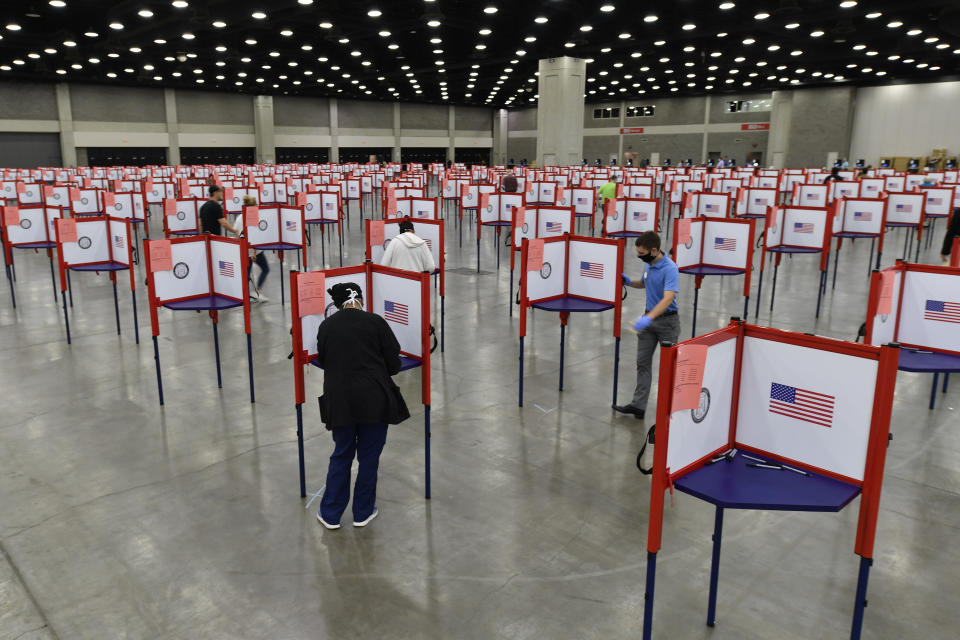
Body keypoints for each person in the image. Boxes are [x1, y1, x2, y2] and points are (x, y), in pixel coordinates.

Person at [315, 282, 407, 529]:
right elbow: (393, 363)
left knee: (341, 454)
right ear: (361, 300)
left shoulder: (326, 326)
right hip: (375, 401)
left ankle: (331, 514)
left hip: (340, 401)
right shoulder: (376, 322)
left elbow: (323, 359)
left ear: (336, 304)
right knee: (369, 458)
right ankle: (362, 512)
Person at [614, 232, 681, 420]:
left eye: (642, 253)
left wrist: (649, 317)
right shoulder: (648, 264)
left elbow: (668, 298)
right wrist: (629, 282)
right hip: (648, 320)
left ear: (654, 250)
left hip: (668, 322)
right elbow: (643, 283)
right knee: (642, 363)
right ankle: (638, 406)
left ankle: (669, 411)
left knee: (668, 368)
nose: (639, 256)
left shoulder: (670, 269)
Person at [241, 195, 270, 303]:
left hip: (244, 252)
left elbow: (238, 233)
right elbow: (254, 236)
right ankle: (257, 291)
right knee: (265, 269)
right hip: (255, 252)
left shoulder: (240, 218)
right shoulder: (253, 218)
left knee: (246, 275)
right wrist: (253, 251)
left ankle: (247, 295)